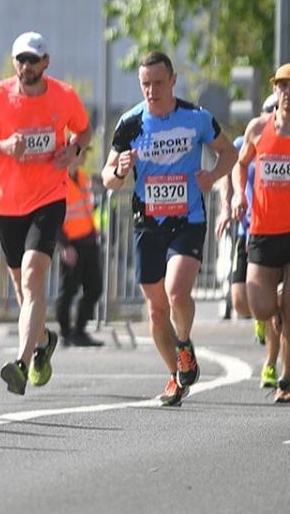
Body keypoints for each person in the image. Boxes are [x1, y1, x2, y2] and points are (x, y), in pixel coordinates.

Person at [103, 51, 236, 407]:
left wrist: (211, 176)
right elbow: (107, 178)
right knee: (156, 309)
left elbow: (229, 153)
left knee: (177, 290)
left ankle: (184, 340)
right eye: (146, 84)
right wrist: (119, 170)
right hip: (147, 223)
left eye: (159, 83)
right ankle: (176, 371)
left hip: (188, 219)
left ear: (173, 81)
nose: (152, 91)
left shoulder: (195, 118)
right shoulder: (130, 123)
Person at [0, 31, 92, 396]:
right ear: (13, 62)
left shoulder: (63, 96)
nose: (26, 66)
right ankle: (44, 341)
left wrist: (74, 150)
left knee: (34, 276)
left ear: (46, 62)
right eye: (21, 59)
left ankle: (20, 364)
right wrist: (3, 146)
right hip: (6, 205)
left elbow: (83, 130)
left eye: (33, 60)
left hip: (48, 198)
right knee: (25, 291)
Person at [233, 65, 290, 402]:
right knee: (260, 306)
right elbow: (241, 164)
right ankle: (278, 311)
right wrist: (240, 194)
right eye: (283, 87)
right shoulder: (258, 128)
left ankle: (286, 378)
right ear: (276, 92)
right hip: (264, 230)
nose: (288, 93)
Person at [217, 93, 282, 388]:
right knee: (242, 303)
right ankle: (264, 313)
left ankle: (272, 365)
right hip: (250, 230)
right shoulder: (251, 139)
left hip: (279, 229)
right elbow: (232, 172)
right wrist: (229, 204)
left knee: (281, 306)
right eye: (268, 110)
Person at [56, 146, 105, 347]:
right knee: (68, 289)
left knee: (95, 288)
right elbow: (55, 217)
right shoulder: (59, 179)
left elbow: (84, 207)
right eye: (81, 152)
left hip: (88, 241)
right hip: (72, 244)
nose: (84, 156)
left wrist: (93, 230)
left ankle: (79, 330)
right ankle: (66, 332)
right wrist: (64, 246)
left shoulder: (83, 178)